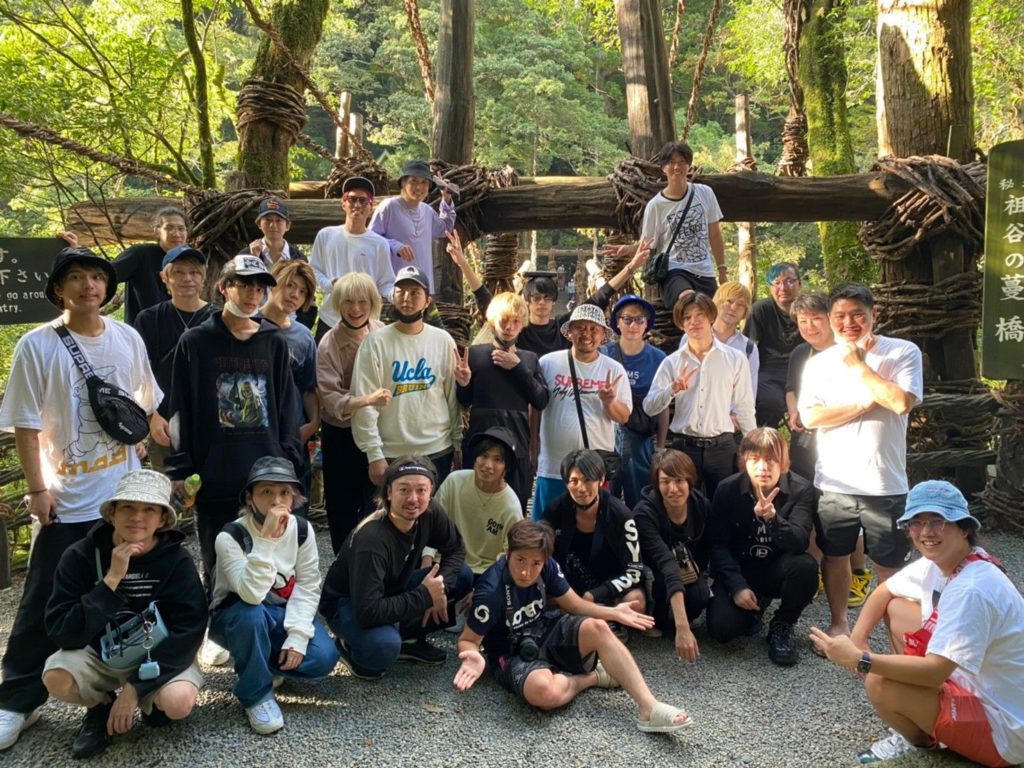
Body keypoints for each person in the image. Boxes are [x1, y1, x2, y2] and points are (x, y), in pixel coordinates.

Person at [0, 247, 161, 752]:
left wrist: (147, 455)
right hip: (67, 497)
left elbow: (145, 405)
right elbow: (25, 424)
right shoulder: (37, 345)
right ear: (58, 289)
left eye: (97, 276)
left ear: (108, 287)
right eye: (76, 277)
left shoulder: (127, 337)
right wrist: (37, 488)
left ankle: (113, 695)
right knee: (45, 597)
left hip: (124, 497)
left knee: (124, 596)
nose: (89, 285)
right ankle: (17, 700)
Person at [810, 480, 1024, 767]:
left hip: (1005, 732)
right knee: (898, 608)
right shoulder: (952, 561)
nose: (926, 532)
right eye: (917, 523)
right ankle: (919, 707)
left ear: (964, 528)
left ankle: (918, 741)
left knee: (880, 682)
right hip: (985, 687)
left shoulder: (971, 589)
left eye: (938, 521)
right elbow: (884, 592)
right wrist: (857, 639)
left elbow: (935, 673)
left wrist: (860, 659)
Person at [453, 519, 694, 733]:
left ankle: (649, 708)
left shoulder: (547, 565)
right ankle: (592, 677)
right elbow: (468, 640)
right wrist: (473, 656)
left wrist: (614, 613)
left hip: (543, 628)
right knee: (543, 692)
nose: (527, 571)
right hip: (511, 651)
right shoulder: (490, 592)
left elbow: (574, 604)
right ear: (508, 553)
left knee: (599, 628)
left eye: (536, 563)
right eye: (520, 560)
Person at [41, 470, 206, 758]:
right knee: (56, 677)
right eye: (128, 507)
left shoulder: (177, 560)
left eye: (149, 510)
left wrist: (134, 689)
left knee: (178, 703)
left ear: (162, 520)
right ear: (112, 514)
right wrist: (111, 581)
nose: (137, 517)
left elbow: (190, 629)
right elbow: (62, 630)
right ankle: (100, 707)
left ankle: (151, 702)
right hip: (102, 653)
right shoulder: (80, 556)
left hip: (159, 654)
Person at [798, 282, 923, 640]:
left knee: (889, 565)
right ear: (830, 318)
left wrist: (859, 366)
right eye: (840, 315)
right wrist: (864, 404)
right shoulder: (819, 364)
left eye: (857, 315)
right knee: (834, 555)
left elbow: (900, 402)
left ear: (873, 315)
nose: (848, 323)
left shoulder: (901, 351)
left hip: (884, 481)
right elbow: (810, 417)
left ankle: (898, 636)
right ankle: (840, 623)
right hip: (834, 481)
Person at [166, 254, 303, 579]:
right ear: (224, 287)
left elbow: (287, 408)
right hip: (215, 477)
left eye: (259, 288)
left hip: (266, 476)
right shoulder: (196, 342)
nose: (253, 294)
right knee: (219, 570)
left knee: (271, 568)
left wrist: (288, 459)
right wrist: (181, 468)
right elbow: (179, 409)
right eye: (244, 285)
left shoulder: (273, 342)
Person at [208, 457, 338, 735]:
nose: (276, 500)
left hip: (280, 611)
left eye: (284, 492)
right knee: (251, 615)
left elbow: (308, 584)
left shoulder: (302, 529)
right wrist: (266, 540)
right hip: (236, 615)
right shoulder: (230, 536)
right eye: (266, 491)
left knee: (323, 658)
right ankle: (256, 695)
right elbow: (251, 594)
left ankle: (259, 663)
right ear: (250, 498)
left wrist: (298, 637)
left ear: (294, 498)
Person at [320, 456, 473, 679]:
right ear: (389, 492)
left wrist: (441, 586)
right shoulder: (372, 540)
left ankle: (407, 638)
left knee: (461, 576)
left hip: (391, 587)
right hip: (348, 602)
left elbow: (455, 548)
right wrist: (425, 596)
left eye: (421, 490)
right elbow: (368, 611)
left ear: (430, 492)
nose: (413, 499)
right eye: (404, 490)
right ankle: (349, 645)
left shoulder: (429, 512)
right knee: (382, 648)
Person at [785, 292, 873, 609]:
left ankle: (859, 572)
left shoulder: (850, 352)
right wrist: (794, 412)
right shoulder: (800, 353)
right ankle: (819, 570)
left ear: (830, 319)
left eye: (816, 319)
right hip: (806, 443)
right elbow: (791, 389)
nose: (810, 326)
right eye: (803, 321)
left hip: (845, 445)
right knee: (811, 505)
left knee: (850, 511)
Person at [706, 428, 817, 666]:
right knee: (722, 630)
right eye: (755, 460)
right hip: (741, 568)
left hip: (778, 569)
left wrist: (772, 519)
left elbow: (800, 541)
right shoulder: (727, 489)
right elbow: (717, 545)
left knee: (806, 567)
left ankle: (782, 624)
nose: (763, 467)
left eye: (771, 460)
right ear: (744, 461)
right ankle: (753, 610)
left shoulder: (801, 489)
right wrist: (736, 586)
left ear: (783, 461)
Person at [449, 230, 652, 358]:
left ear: (554, 302)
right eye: (536, 298)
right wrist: (463, 263)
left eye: (547, 298)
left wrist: (632, 267)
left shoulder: (563, 327)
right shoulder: (518, 327)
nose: (542, 303)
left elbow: (601, 297)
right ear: (526, 301)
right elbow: (485, 298)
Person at [350, 264, 461, 487]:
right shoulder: (375, 342)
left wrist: (458, 443)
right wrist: (374, 453)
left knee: (434, 510)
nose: (407, 298)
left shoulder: (442, 341)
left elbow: (452, 397)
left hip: (437, 450)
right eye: (400, 291)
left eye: (415, 292)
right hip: (390, 453)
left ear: (427, 301)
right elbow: (364, 401)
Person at [644, 291, 755, 499]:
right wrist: (672, 389)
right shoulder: (672, 362)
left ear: (711, 317)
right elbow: (649, 406)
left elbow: (745, 407)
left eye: (699, 315)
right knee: (685, 507)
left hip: (722, 447)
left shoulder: (735, 358)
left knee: (725, 505)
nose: (693, 322)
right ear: (681, 324)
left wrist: (752, 449)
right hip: (685, 447)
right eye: (687, 318)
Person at [453, 285, 549, 511]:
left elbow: (541, 400)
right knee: (474, 506)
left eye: (515, 321)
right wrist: (464, 383)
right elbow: (464, 401)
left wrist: (518, 368)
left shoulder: (529, 359)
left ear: (523, 324)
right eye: (504, 320)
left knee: (514, 505)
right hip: (481, 438)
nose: (509, 327)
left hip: (517, 442)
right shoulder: (475, 355)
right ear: (492, 321)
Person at [533, 304, 632, 517]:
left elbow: (624, 416)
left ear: (603, 335)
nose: (586, 334)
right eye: (580, 328)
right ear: (569, 332)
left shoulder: (614, 369)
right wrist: (533, 449)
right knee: (545, 526)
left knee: (593, 526)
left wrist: (610, 402)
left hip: (593, 470)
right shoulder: (548, 363)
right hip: (553, 466)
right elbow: (535, 408)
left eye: (593, 329)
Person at [317, 272, 390, 554]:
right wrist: (366, 400)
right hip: (342, 435)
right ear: (338, 304)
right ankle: (343, 566)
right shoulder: (329, 343)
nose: (356, 309)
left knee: (376, 503)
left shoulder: (382, 332)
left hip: (378, 432)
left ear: (373, 303)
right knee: (342, 506)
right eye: (348, 301)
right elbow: (330, 398)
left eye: (363, 302)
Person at [608, 141, 726, 309]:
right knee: (689, 301)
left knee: (711, 313)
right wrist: (628, 250)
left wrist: (722, 270)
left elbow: (714, 234)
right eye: (671, 162)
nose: (677, 167)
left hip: (704, 271)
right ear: (663, 168)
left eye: (682, 162)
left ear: (688, 165)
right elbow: (648, 245)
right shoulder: (656, 206)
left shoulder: (705, 193)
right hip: (674, 272)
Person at [133, 245, 215, 471]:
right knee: (167, 489)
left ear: (203, 278)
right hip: (165, 424)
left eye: (194, 272)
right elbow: (141, 374)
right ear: (164, 277)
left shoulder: (218, 318)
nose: (187, 278)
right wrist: (152, 417)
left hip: (211, 424)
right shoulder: (149, 319)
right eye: (178, 272)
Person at [542, 450, 645, 627]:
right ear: (566, 483)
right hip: (568, 588)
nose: (581, 488)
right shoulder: (555, 510)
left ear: (601, 479)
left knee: (636, 601)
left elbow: (634, 571)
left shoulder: (620, 515)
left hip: (609, 586)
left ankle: (587, 615)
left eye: (588, 479)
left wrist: (594, 594)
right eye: (574, 481)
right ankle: (601, 617)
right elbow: (542, 554)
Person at [633, 449, 711, 662]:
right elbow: (666, 563)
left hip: (688, 571)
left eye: (679, 481)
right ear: (656, 484)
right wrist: (682, 627)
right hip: (654, 574)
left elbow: (713, 547)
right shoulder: (644, 514)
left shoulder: (701, 505)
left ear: (690, 482)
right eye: (665, 482)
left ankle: (672, 618)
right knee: (657, 614)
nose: (673, 489)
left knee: (700, 596)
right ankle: (657, 614)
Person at [262, 259, 322, 515]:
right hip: (254, 434)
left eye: (302, 291)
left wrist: (313, 424)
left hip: (293, 435)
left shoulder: (303, 336)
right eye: (289, 285)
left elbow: (309, 387)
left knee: (295, 511)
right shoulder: (248, 325)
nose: (295, 294)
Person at [424, 427, 522, 578]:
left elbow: (511, 553)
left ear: (506, 468)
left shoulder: (511, 506)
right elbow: (431, 523)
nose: (488, 465)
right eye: (484, 456)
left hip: (485, 572)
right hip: (444, 562)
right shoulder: (454, 481)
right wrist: (426, 559)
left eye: (497, 460)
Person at [309, 177, 394, 342]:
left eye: (363, 201)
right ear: (343, 203)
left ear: (371, 207)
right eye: (352, 199)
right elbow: (313, 271)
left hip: (366, 322)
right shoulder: (326, 235)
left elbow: (386, 283)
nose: (357, 205)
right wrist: (329, 284)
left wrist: (399, 295)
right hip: (331, 319)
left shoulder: (380, 244)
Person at [602, 294, 666, 507]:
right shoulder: (604, 354)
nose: (633, 325)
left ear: (647, 323)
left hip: (640, 439)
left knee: (639, 501)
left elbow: (662, 405)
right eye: (627, 319)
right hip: (606, 436)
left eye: (639, 320)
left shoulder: (658, 358)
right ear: (617, 322)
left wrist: (660, 447)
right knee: (604, 499)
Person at [369, 160, 455, 294]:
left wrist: (446, 199)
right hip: (394, 290)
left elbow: (446, 229)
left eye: (424, 182)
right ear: (404, 183)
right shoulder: (389, 207)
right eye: (414, 181)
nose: (419, 187)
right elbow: (370, 239)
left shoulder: (427, 211)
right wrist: (395, 246)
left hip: (422, 291)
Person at [745, 263, 802, 428]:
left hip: (801, 372)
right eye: (777, 283)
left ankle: (803, 442)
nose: (783, 287)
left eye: (790, 281)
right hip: (768, 372)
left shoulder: (808, 309)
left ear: (800, 283)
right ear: (770, 287)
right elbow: (749, 349)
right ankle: (765, 440)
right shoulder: (761, 310)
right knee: (769, 402)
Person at [113, 207, 191, 325]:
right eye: (169, 228)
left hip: (180, 331)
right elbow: (104, 275)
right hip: (142, 332)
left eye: (181, 228)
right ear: (157, 231)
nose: (176, 234)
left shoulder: (191, 260)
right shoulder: (141, 254)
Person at [249, 196, 317, 330]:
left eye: (278, 220)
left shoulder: (298, 258)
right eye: (268, 220)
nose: (273, 225)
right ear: (259, 224)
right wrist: (253, 260)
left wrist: (299, 328)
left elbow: (308, 295)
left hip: (291, 324)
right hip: (254, 323)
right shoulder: (248, 254)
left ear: (288, 225)